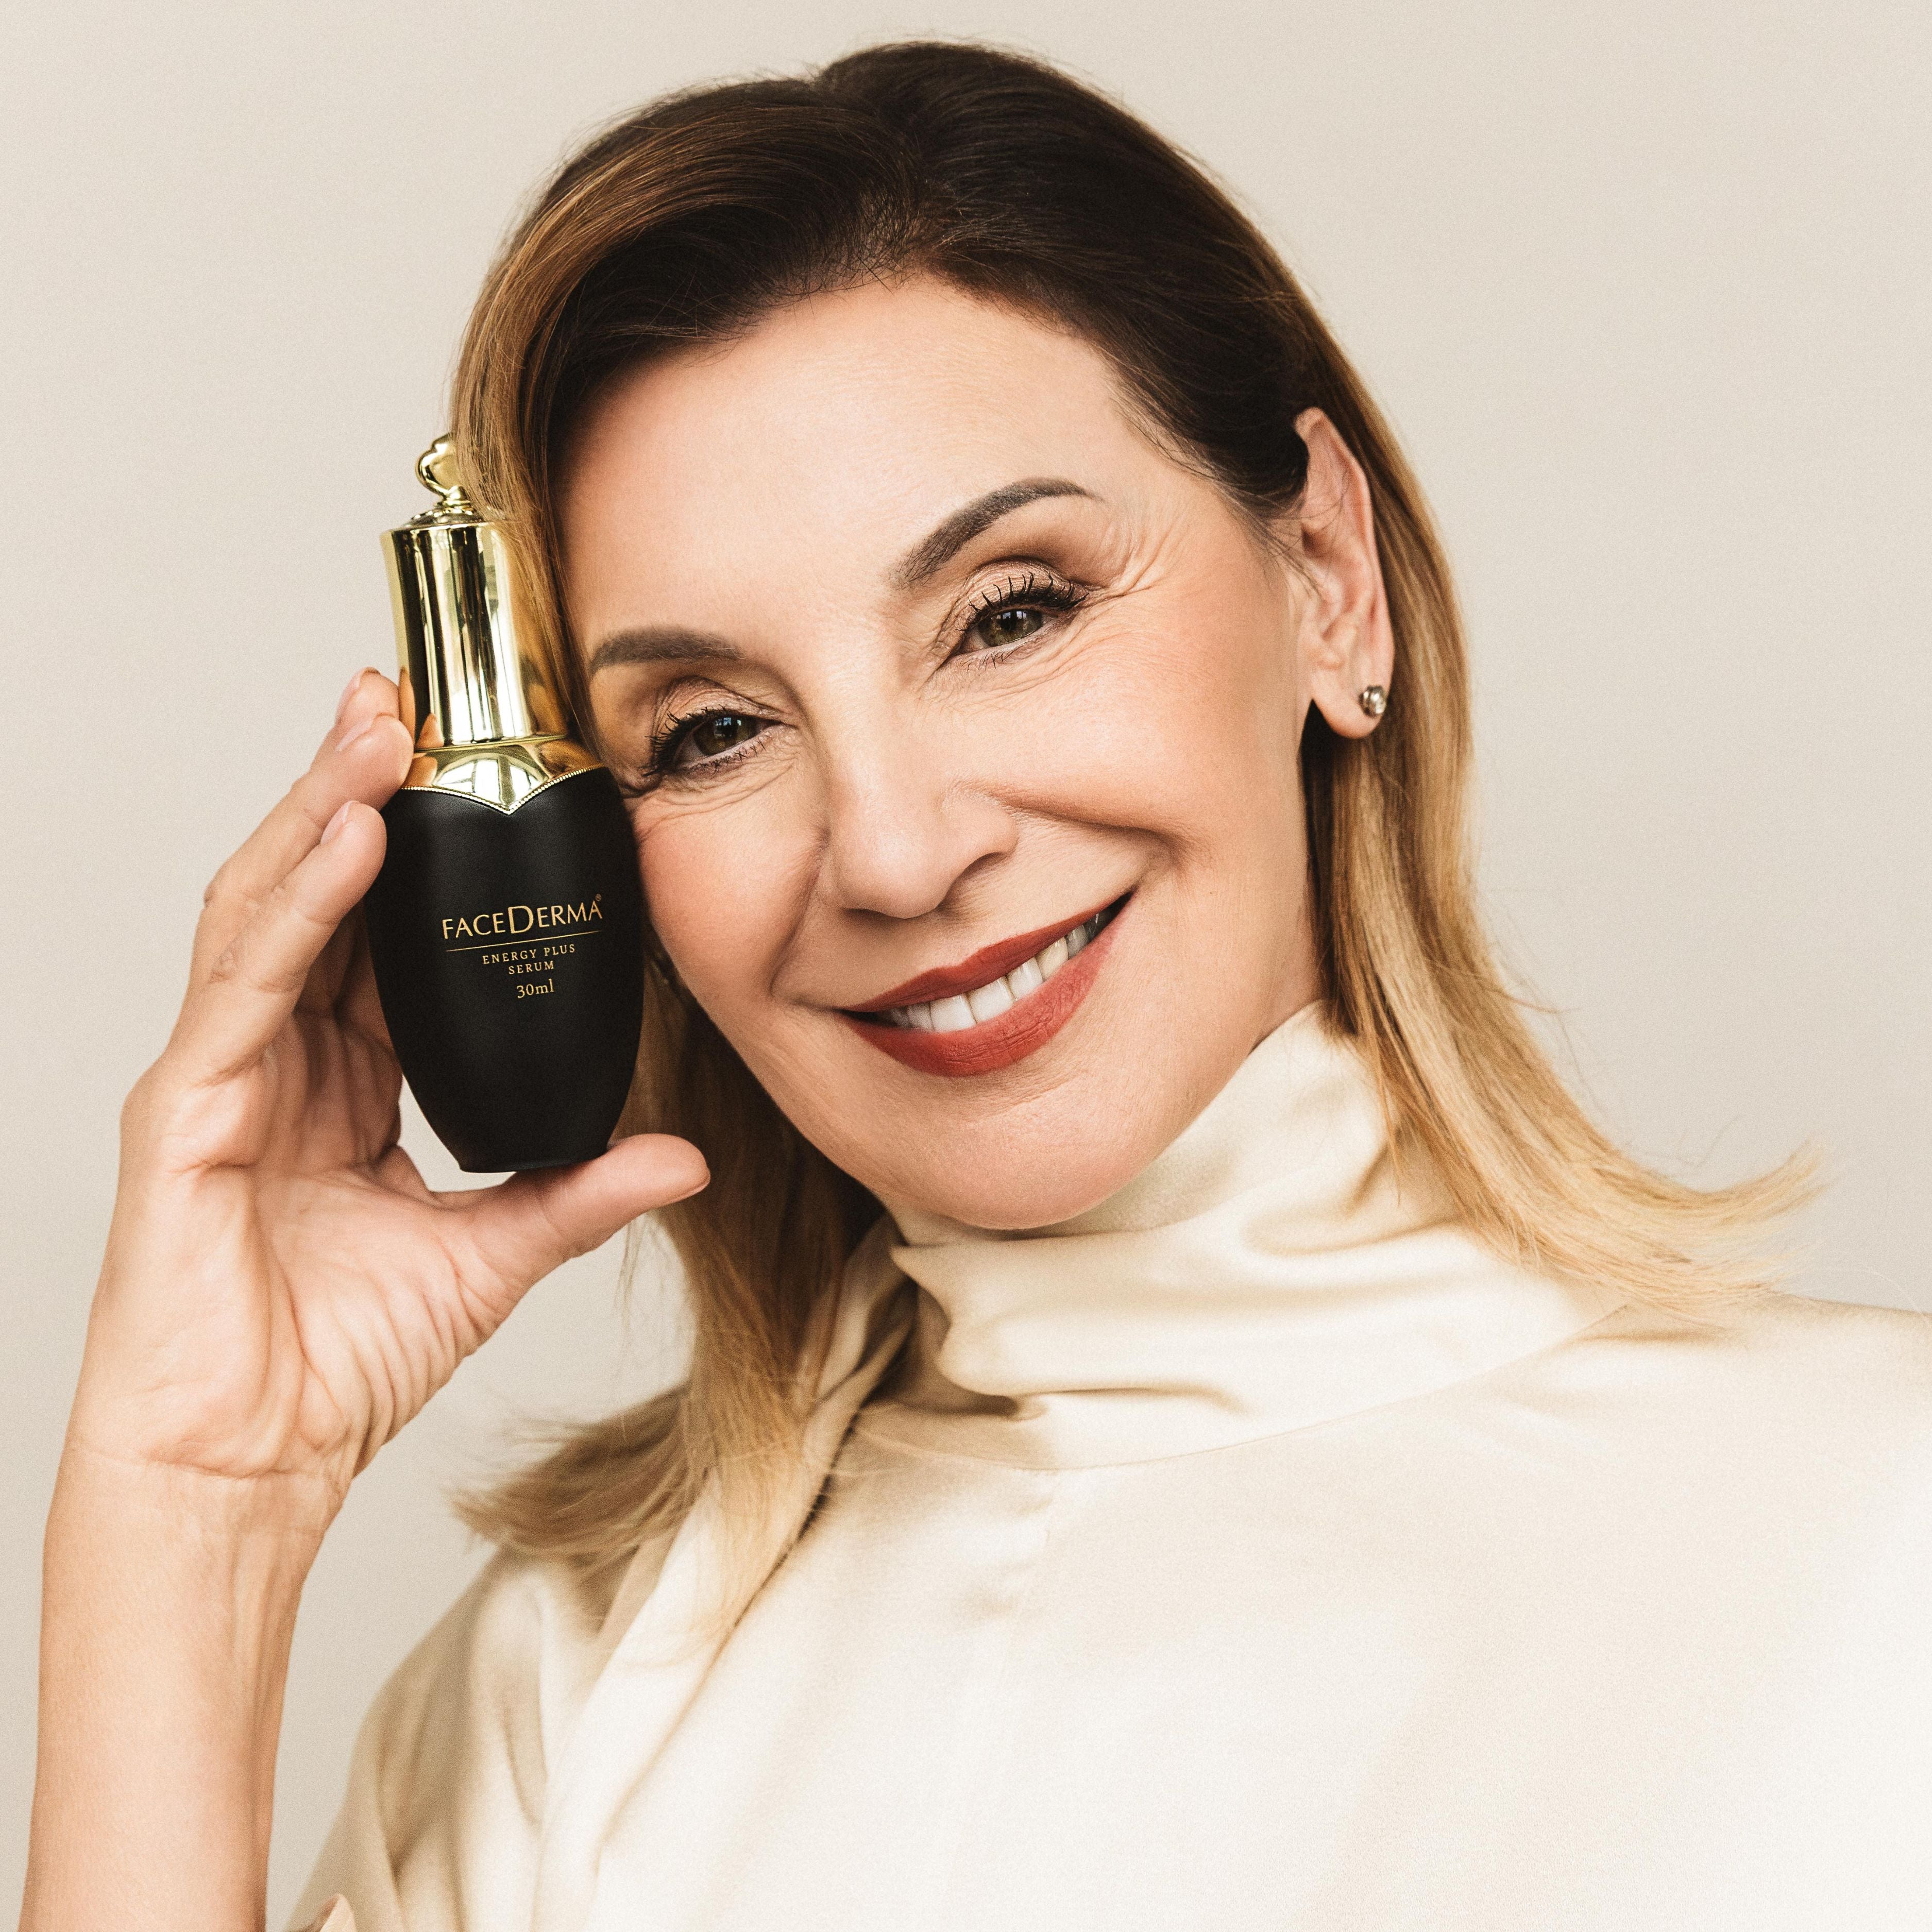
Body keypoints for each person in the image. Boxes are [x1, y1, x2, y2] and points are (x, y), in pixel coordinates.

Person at [22, 40, 1932, 1932]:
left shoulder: (1878, 1533)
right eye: (711, 731)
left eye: (1010, 614)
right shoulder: (569, 1700)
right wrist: (196, 1516)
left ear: (1328, 574)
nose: (894, 850)